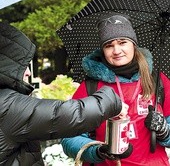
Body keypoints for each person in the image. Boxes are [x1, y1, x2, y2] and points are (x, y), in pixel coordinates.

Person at [0, 22, 128, 166]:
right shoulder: (7, 105)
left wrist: (159, 133)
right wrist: (111, 100)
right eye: (22, 66)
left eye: (123, 42)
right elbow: (62, 115)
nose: (28, 72)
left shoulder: (158, 81)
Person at [61, 13, 170, 166]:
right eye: (109, 45)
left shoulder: (158, 81)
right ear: (103, 50)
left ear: (133, 44)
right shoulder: (90, 87)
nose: (116, 50)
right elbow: (69, 138)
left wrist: (164, 131)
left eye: (122, 42)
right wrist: (99, 151)